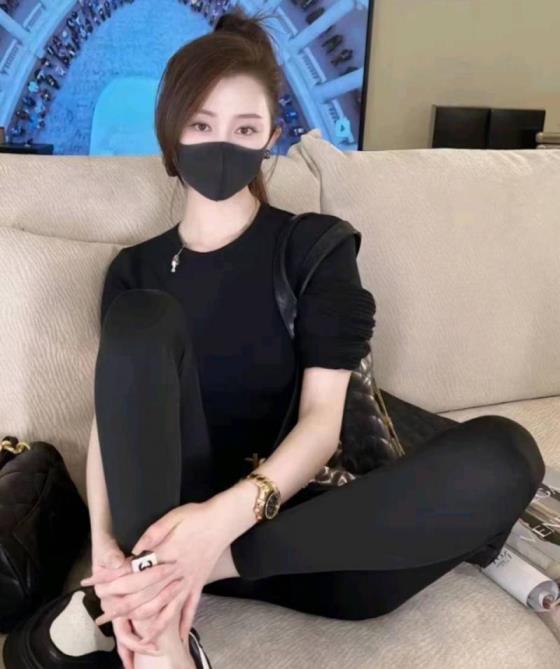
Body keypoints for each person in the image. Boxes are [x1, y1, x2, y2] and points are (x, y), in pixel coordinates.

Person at [79, 8, 545, 669]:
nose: (222, 144)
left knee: (507, 452)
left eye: (245, 128)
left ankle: (181, 578)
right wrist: (105, 545)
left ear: (271, 136)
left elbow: (323, 424)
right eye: (202, 125)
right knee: (141, 318)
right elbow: (111, 423)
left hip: (303, 542)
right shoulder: (134, 272)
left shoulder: (311, 245)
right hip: (163, 527)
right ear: (171, 131)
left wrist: (213, 536)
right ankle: (160, 637)